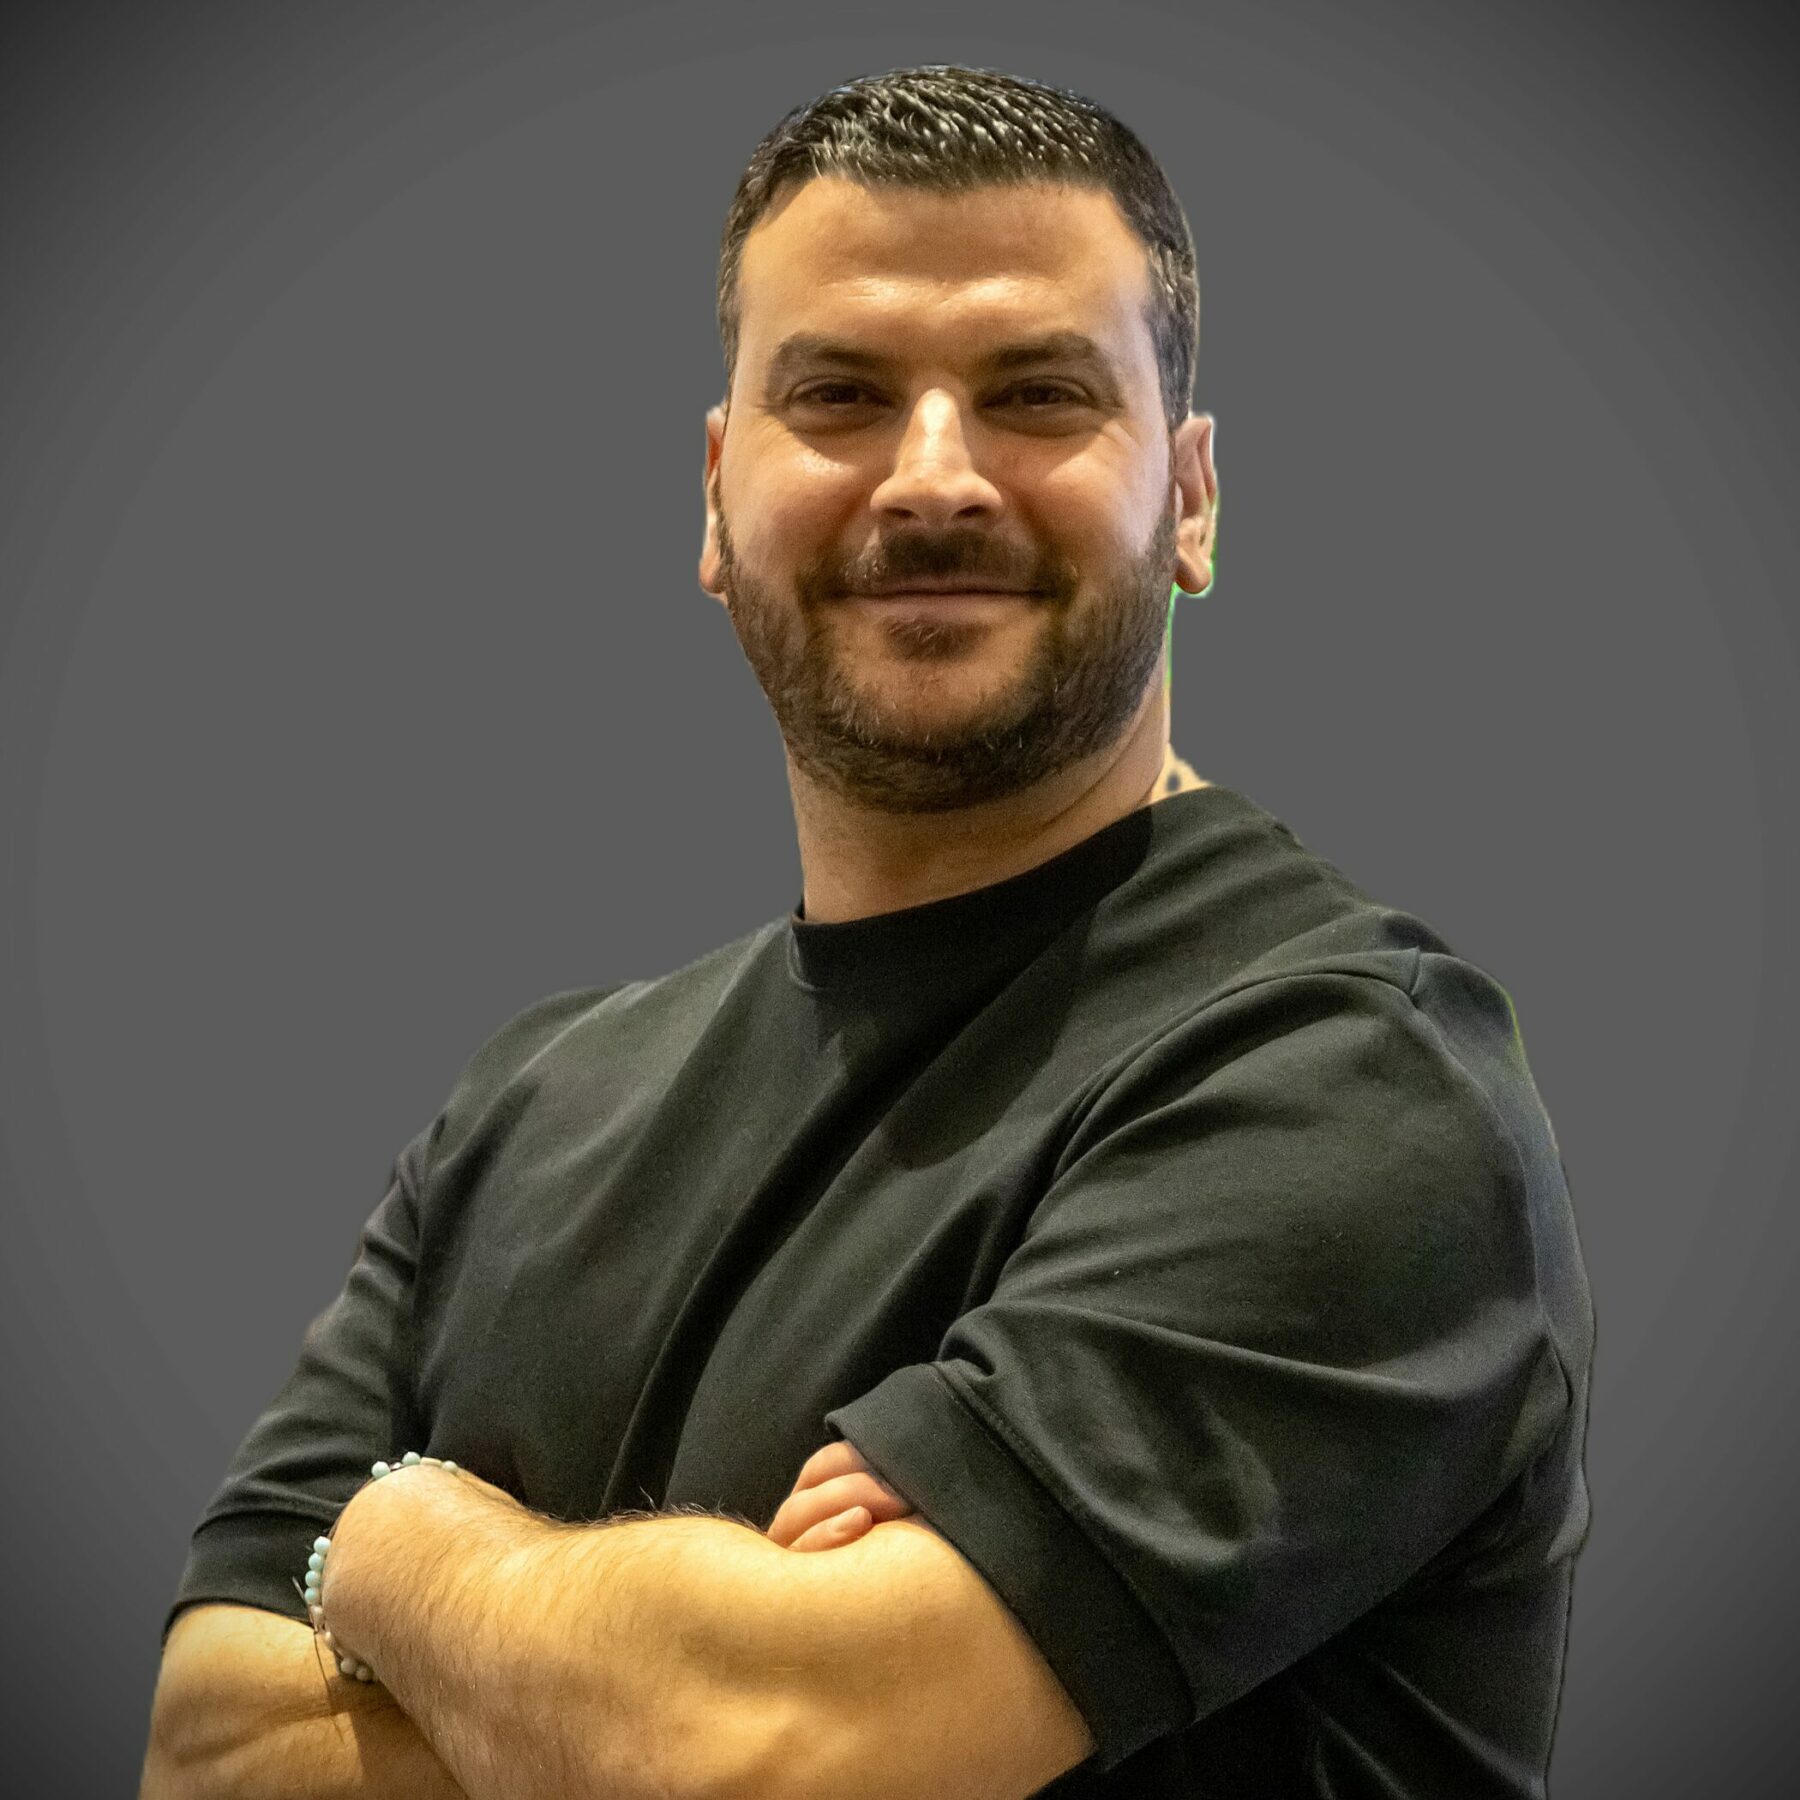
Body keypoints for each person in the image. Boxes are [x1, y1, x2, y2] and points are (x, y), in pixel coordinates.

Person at [139, 63, 1593, 1800]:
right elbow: (202, 1747)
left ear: (1192, 497)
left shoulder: (1345, 1078)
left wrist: (396, 1543)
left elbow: (764, 1754)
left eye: (1039, 393)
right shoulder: (527, 1110)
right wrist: (650, 1668)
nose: (934, 478)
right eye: (838, 394)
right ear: (715, 493)